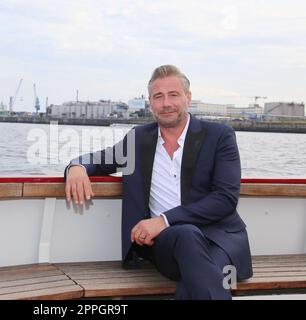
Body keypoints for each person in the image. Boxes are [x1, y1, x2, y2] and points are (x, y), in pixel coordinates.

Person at [64, 65, 253, 300]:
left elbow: (225, 199)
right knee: (186, 238)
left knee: (194, 283)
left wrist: (164, 220)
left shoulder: (219, 136)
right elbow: (98, 160)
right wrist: (76, 167)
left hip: (218, 240)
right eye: (158, 96)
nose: (166, 103)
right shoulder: (138, 139)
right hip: (167, 245)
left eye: (173, 95)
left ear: (187, 97)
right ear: (150, 103)